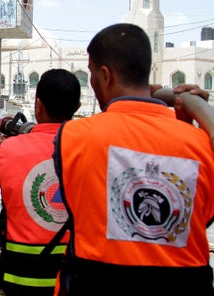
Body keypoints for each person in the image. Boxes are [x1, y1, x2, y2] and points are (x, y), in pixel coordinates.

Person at [53, 23, 214, 295]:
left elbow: (78, 205)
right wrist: (190, 122)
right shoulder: (202, 143)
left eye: (91, 73)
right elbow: (200, 220)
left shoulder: (74, 136)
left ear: (105, 75)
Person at [0, 68, 81, 296]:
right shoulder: (91, 149)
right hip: (70, 281)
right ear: (77, 107)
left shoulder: (9, 149)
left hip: (17, 281)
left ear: (38, 104)